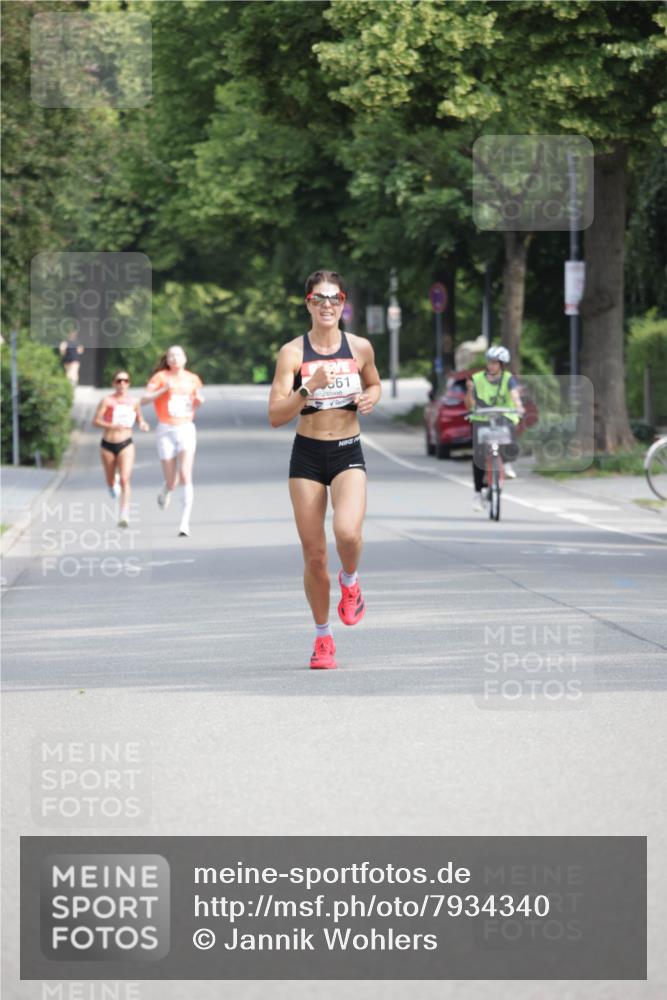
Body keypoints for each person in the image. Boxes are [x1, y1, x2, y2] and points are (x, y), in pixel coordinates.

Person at [268, 269, 382, 670]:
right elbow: (275, 415)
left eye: (334, 298)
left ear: (343, 303)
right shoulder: (293, 354)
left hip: (348, 449)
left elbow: (374, 384)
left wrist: (370, 398)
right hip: (308, 455)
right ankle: (323, 638)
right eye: (320, 298)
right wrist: (308, 387)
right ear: (308, 304)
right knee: (315, 555)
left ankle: (349, 582)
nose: (328, 305)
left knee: (347, 532)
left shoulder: (361, 347)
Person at [141, 345, 204, 537]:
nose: (174, 358)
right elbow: (143, 400)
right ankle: (167, 489)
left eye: (178, 355)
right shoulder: (160, 378)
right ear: (167, 360)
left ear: (185, 358)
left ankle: (184, 523)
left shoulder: (193, 379)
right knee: (172, 481)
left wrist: (199, 401)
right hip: (166, 430)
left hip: (185, 427)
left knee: (185, 474)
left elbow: (196, 398)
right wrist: (163, 390)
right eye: (171, 356)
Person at [465, 345, 525, 511]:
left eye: (495, 363)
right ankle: (478, 493)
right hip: (482, 418)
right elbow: (469, 404)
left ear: (502, 364)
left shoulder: (508, 379)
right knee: (478, 455)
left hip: (503, 416)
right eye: (489, 362)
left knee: (510, 433)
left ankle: (506, 463)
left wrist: (519, 406)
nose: (491, 365)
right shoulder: (477, 378)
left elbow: (514, 396)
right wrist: (469, 392)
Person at [92, 370, 149, 528]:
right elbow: (95, 421)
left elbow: (139, 418)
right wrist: (111, 425)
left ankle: (124, 513)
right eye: (118, 381)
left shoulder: (133, 402)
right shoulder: (107, 401)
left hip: (126, 443)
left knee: (125, 479)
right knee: (110, 480)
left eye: (125, 381)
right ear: (113, 383)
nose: (122, 384)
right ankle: (111, 485)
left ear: (129, 383)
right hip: (108, 444)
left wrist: (143, 424)